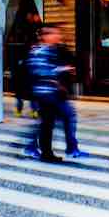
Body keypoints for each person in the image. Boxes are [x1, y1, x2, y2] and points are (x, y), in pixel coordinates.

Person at [23, 24, 84, 162]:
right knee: (49, 122)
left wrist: (60, 80)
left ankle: (45, 150)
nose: (58, 36)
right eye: (54, 33)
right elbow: (40, 71)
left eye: (58, 33)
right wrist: (62, 69)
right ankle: (44, 151)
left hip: (52, 92)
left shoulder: (52, 50)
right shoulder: (39, 51)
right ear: (45, 36)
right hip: (44, 93)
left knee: (51, 121)